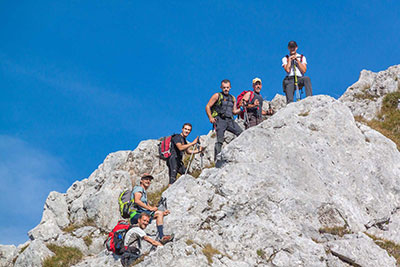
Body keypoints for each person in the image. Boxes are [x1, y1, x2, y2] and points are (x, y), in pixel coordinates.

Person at [130, 174, 173, 244]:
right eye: (146, 179)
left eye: (149, 180)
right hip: (135, 214)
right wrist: (150, 209)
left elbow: (148, 207)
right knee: (159, 213)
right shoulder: (138, 189)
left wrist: (162, 213)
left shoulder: (143, 192)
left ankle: (161, 236)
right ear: (141, 180)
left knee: (159, 213)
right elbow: (137, 200)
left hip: (140, 214)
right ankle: (161, 236)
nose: (148, 181)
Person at [205, 79, 242, 161]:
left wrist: (242, 108)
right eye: (224, 87)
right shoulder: (217, 95)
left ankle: (240, 153)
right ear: (221, 87)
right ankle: (217, 160)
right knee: (220, 140)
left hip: (230, 120)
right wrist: (210, 117)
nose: (226, 89)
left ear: (230, 87)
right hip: (220, 119)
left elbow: (234, 112)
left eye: (227, 87)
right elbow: (208, 106)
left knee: (241, 133)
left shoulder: (232, 98)